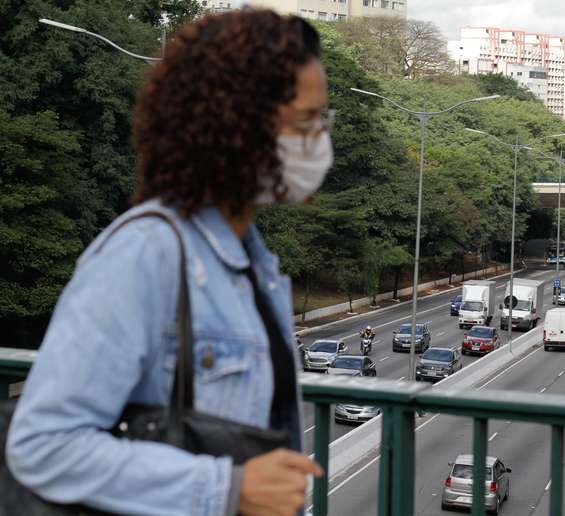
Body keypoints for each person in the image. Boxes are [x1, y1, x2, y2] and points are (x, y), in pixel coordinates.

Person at [6, 10, 328, 516]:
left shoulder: (253, 262)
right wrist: (227, 487)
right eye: (305, 123)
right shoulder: (144, 255)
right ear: (237, 127)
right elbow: (43, 446)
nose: (319, 142)